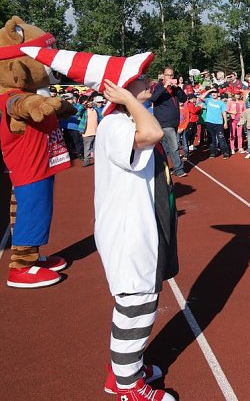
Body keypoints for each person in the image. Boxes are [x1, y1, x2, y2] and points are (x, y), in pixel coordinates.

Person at [95, 75, 178, 401]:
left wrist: (131, 102)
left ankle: (125, 368)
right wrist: (128, 100)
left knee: (142, 300)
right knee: (136, 303)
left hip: (140, 223)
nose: (148, 80)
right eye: (139, 77)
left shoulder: (127, 119)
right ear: (121, 88)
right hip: (128, 228)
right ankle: (127, 386)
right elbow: (153, 133)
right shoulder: (114, 123)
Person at [149, 66, 188, 177]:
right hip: (164, 122)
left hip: (174, 121)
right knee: (174, 146)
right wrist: (165, 86)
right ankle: (179, 169)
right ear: (163, 76)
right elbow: (153, 98)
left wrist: (178, 88)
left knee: (166, 147)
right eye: (167, 75)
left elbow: (184, 99)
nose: (170, 77)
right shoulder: (158, 87)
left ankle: (159, 168)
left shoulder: (175, 89)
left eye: (171, 75)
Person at [201, 88, 229, 159]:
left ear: (218, 94)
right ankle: (213, 152)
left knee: (221, 138)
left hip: (219, 123)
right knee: (211, 138)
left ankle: (225, 152)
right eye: (212, 93)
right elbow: (201, 97)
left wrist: (225, 123)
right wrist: (209, 90)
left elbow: (224, 113)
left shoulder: (221, 103)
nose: (213, 94)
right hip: (210, 123)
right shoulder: (208, 100)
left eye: (215, 92)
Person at [80, 95, 103, 167]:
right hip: (87, 133)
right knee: (87, 148)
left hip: (96, 132)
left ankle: (98, 161)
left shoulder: (96, 110)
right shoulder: (84, 111)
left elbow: (101, 119)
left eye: (91, 102)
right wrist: (83, 105)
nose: (90, 103)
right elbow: (78, 113)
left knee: (96, 148)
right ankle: (86, 161)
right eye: (88, 102)